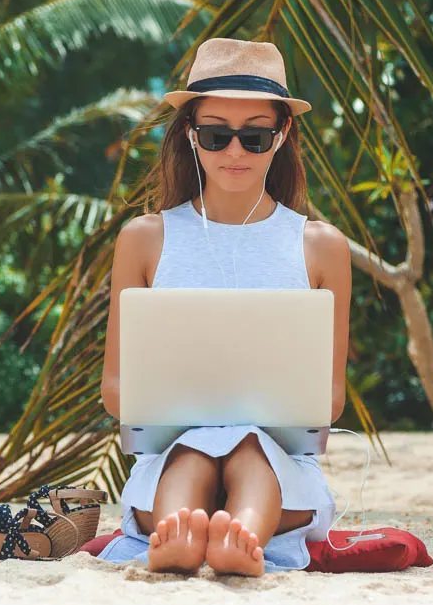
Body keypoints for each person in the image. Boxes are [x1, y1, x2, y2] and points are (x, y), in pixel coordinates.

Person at [99, 37, 351, 576]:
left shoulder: (322, 245)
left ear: (282, 135)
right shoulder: (144, 238)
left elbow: (329, 399)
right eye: (216, 135)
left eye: (255, 136)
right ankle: (183, 534)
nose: (234, 152)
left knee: (250, 448)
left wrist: (242, 420)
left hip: (281, 465)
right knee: (192, 449)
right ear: (191, 135)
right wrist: (193, 415)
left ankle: (241, 536)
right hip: (170, 458)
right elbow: (115, 388)